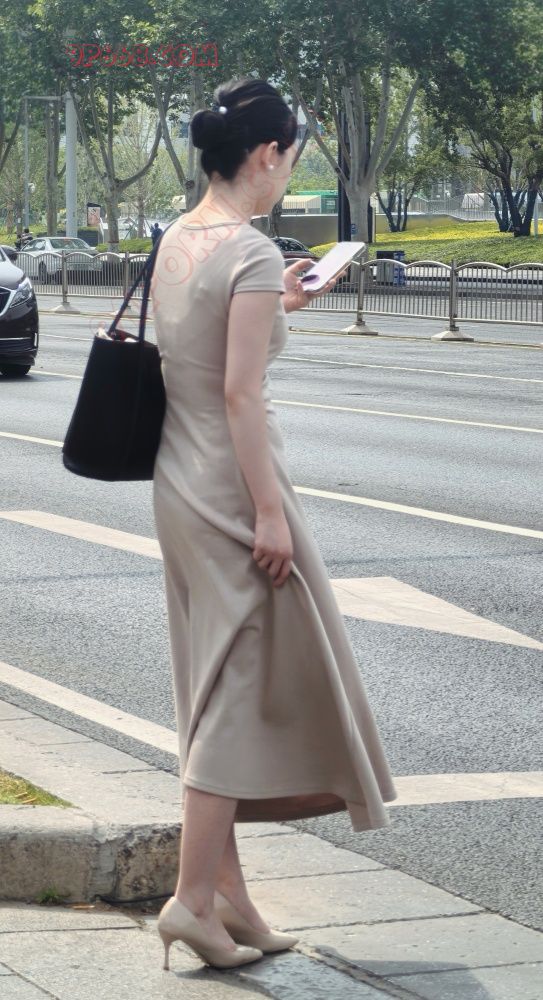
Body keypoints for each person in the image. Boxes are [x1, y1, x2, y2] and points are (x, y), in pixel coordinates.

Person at [150, 77, 396, 973]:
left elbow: (197, 347)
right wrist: (267, 513)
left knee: (210, 680)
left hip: (176, 477)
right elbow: (240, 393)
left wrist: (281, 302)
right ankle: (190, 900)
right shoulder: (249, 250)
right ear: (265, 155)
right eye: (290, 156)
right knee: (235, 686)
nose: (288, 170)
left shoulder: (178, 236)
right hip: (230, 486)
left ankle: (229, 900)